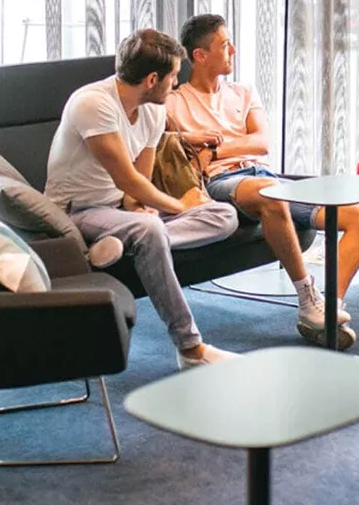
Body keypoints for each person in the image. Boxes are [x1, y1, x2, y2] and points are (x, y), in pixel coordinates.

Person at [168, 14, 359, 350]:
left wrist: (215, 143)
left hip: (265, 178)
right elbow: (174, 151)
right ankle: (308, 298)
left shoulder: (242, 91)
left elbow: (262, 142)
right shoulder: (174, 101)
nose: (233, 50)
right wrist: (205, 145)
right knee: (271, 196)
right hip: (222, 185)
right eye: (224, 45)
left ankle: (328, 307)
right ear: (200, 55)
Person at [46, 28, 239, 370]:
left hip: (119, 210)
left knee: (224, 215)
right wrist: (180, 207)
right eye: (174, 77)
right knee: (150, 229)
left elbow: (141, 180)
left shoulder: (153, 110)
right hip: (76, 211)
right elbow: (128, 179)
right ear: (152, 79)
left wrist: (140, 208)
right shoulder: (93, 104)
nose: (177, 84)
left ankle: (128, 244)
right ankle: (190, 348)